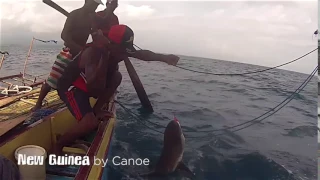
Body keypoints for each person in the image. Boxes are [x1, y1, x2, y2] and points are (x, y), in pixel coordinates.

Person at [53, 24, 178, 155]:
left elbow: (141, 54)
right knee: (90, 123)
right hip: (71, 87)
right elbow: (93, 87)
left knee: (116, 76)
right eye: (124, 49)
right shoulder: (93, 52)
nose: (126, 52)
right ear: (112, 44)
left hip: (88, 84)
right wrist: (104, 59)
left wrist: (164, 58)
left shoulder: (119, 49)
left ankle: (97, 110)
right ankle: (59, 144)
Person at [31, 0, 104, 111]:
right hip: (69, 52)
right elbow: (64, 35)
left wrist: (96, 33)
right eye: (94, 4)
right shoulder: (74, 14)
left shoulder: (91, 18)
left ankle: (77, 103)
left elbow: (94, 31)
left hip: (81, 54)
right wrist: (79, 49)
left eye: (97, 5)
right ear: (86, 1)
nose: (95, 7)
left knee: (80, 80)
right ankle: (38, 104)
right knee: (52, 79)